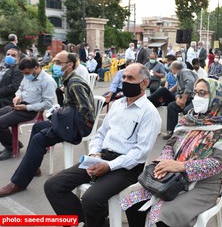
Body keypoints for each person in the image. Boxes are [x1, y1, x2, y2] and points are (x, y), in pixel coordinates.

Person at [44, 63, 161, 227]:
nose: (125, 81)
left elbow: (140, 153)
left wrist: (109, 166)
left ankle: (94, 222)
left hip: (126, 167)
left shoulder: (149, 113)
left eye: (131, 78)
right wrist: (93, 154)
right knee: (53, 186)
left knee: (91, 199)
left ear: (144, 83)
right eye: (124, 77)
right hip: (101, 158)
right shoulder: (118, 104)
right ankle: (85, 222)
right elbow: (101, 134)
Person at [120, 77, 222, 227]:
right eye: (196, 93)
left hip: (202, 186)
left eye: (203, 93)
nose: (198, 97)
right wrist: (165, 164)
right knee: (133, 201)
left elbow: (216, 164)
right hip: (172, 177)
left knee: (163, 215)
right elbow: (170, 144)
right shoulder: (188, 120)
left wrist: (181, 166)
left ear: (215, 97)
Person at [0, 51, 95, 197]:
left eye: (58, 63)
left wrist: (63, 117)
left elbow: (85, 110)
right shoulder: (68, 80)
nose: (54, 65)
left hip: (79, 127)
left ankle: (18, 182)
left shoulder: (75, 83)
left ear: (69, 65)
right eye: (54, 62)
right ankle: (33, 165)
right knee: (38, 127)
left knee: (39, 138)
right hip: (70, 122)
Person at [0, 57, 57, 160]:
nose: (26, 76)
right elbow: (20, 89)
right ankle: (15, 144)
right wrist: (18, 96)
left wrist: (27, 107)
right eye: (24, 73)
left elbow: (48, 104)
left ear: (36, 67)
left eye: (27, 73)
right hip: (20, 105)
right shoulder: (27, 76)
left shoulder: (47, 81)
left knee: (0, 123)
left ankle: (11, 148)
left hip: (31, 110)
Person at [162, 61, 198, 140]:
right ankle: (172, 132)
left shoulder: (185, 72)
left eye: (171, 70)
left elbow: (190, 84)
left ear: (173, 69)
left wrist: (184, 98)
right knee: (171, 106)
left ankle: (187, 134)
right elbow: (178, 91)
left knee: (187, 110)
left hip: (194, 98)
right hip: (184, 99)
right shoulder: (178, 76)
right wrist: (178, 99)